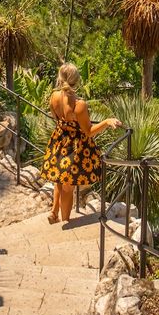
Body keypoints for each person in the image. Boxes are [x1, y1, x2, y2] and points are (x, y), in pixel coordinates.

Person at [40, 61, 122, 228]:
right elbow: (89, 131)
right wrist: (106, 121)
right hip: (73, 147)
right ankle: (65, 223)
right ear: (76, 80)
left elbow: (56, 118)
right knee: (68, 186)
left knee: (59, 175)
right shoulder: (80, 104)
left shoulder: (54, 97)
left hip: (59, 139)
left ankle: (54, 212)